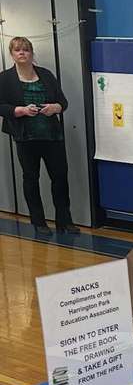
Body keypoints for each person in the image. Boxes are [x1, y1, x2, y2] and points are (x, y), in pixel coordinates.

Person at [0, 36, 77, 237]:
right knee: (31, 179)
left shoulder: (46, 74)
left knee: (60, 178)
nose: (22, 53)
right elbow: (1, 106)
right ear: (12, 54)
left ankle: (64, 221)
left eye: (26, 49)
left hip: (52, 136)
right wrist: (20, 110)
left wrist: (54, 108)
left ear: (32, 52)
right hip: (26, 138)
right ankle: (39, 221)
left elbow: (63, 102)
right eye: (18, 50)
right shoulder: (5, 78)